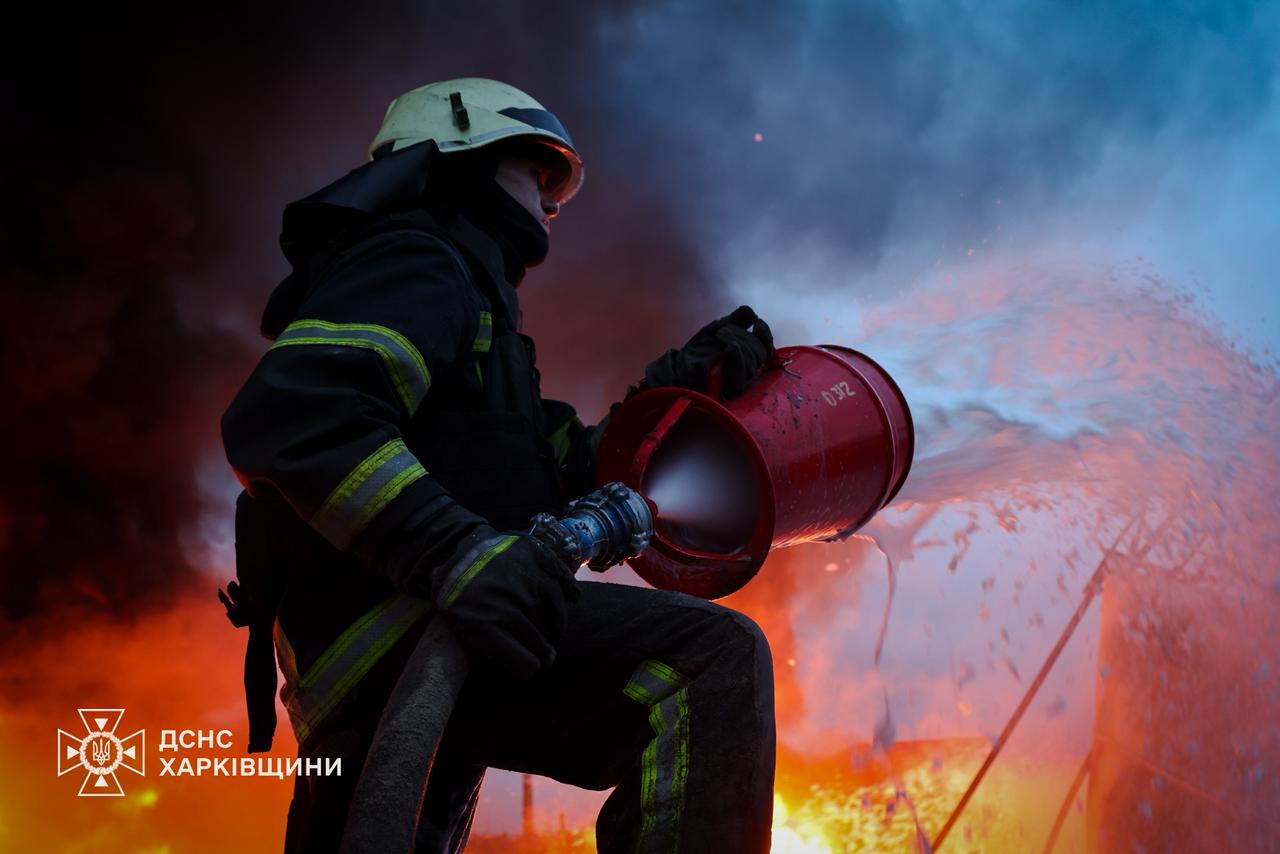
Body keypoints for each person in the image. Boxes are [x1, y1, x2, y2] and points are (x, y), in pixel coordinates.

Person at [219, 78, 777, 853]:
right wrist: (457, 555)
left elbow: (550, 472)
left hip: (415, 638)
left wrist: (676, 394)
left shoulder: (477, 317)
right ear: (463, 158)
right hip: (401, 629)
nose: (550, 201)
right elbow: (295, 414)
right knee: (707, 663)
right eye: (536, 170)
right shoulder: (416, 261)